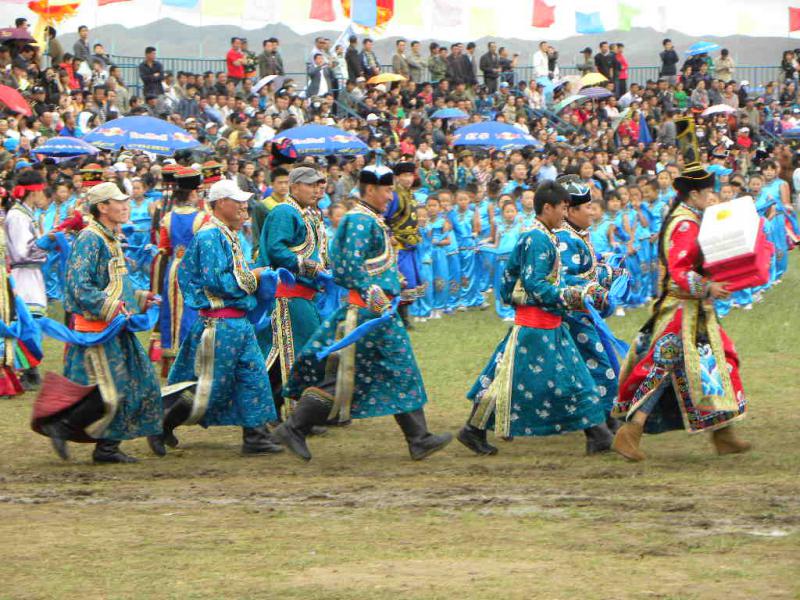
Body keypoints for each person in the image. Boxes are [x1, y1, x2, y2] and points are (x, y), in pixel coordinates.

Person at [273, 165, 452, 461]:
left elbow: (368, 264)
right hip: (367, 313)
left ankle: (418, 437)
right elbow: (347, 267)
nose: (391, 196)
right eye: (387, 190)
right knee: (348, 375)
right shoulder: (358, 220)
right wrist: (372, 290)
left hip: (376, 312)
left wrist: (393, 282)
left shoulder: (370, 218)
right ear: (370, 190)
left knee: (394, 369)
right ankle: (294, 426)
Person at [612, 119, 750, 462]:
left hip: (694, 311)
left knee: (714, 365)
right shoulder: (685, 224)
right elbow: (679, 272)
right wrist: (709, 286)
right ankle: (631, 431)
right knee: (661, 368)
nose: (714, 197)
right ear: (694, 195)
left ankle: (723, 433)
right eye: (709, 193)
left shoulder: (690, 217)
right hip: (680, 311)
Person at [458, 180, 612, 456]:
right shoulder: (537, 238)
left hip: (549, 322)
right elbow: (534, 284)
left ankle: (598, 434)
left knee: (575, 378)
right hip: (534, 325)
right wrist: (569, 295)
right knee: (507, 379)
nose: (565, 214)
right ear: (547, 207)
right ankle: (473, 429)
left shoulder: (545, 234)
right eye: (563, 208)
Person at [34, 182, 162, 464]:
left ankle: (105, 446)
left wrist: (141, 298)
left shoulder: (111, 238)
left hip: (116, 326)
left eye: (126, 201)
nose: (126, 206)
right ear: (102, 207)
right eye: (118, 202)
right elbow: (79, 287)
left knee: (135, 384)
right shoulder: (91, 239)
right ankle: (68, 428)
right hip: (99, 330)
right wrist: (113, 307)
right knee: (112, 389)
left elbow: (115, 284)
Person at [155, 179, 283, 456]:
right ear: (221, 203)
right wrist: (255, 276)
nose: (244, 206)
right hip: (219, 322)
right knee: (211, 385)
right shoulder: (210, 236)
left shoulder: (228, 234)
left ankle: (256, 436)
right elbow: (218, 282)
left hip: (237, 322)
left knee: (253, 376)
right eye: (238, 201)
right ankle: (161, 423)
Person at [258, 166, 328, 417]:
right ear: (294, 186)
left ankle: (293, 413)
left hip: (304, 296)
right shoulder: (285, 212)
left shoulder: (307, 214)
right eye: (310, 185)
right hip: (288, 294)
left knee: (298, 352)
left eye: (319, 185)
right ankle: (277, 412)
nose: (316, 190)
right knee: (288, 354)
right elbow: (276, 249)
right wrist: (304, 265)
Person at [555, 178, 625, 429]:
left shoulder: (578, 234)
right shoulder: (564, 237)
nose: (593, 212)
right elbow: (566, 278)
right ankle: (605, 420)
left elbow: (587, 266)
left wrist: (607, 267)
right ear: (572, 211)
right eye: (588, 207)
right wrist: (598, 285)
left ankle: (601, 422)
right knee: (600, 364)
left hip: (583, 314)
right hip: (573, 316)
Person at [150, 167, 208, 377]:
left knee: (171, 313)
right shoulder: (203, 218)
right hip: (194, 270)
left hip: (174, 269)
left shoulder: (167, 218)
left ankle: (171, 359)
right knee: (192, 313)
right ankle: (191, 359)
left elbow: (163, 249)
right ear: (194, 193)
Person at [6, 170, 49, 388]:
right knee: (26, 321)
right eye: (42, 190)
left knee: (33, 320)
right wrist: (47, 246)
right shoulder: (17, 217)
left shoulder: (27, 214)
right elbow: (23, 251)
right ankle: (24, 371)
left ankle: (30, 369)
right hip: (23, 274)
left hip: (32, 273)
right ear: (34, 192)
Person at [385, 161, 425, 323]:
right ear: (397, 177)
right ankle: (399, 316)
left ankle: (404, 315)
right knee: (402, 280)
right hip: (398, 244)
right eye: (405, 175)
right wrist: (389, 235)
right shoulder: (394, 195)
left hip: (411, 244)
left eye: (411, 175)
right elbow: (383, 217)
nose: (408, 179)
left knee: (411, 280)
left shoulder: (410, 194)